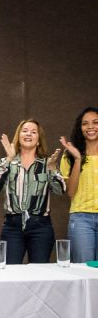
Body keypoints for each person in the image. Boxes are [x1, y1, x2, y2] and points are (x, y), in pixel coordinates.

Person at [0, 119, 64, 264]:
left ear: (38, 140)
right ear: (18, 136)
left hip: (41, 226)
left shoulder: (47, 163)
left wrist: (53, 169)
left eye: (33, 132)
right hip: (13, 226)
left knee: (39, 274)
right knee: (11, 272)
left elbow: (60, 190)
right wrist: (8, 159)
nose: (28, 134)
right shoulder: (7, 161)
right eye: (24, 131)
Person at [60, 106, 98, 262]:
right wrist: (77, 159)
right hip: (81, 219)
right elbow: (70, 192)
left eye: (95, 122)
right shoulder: (69, 154)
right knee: (84, 269)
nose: (90, 127)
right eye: (85, 123)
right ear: (79, 127)